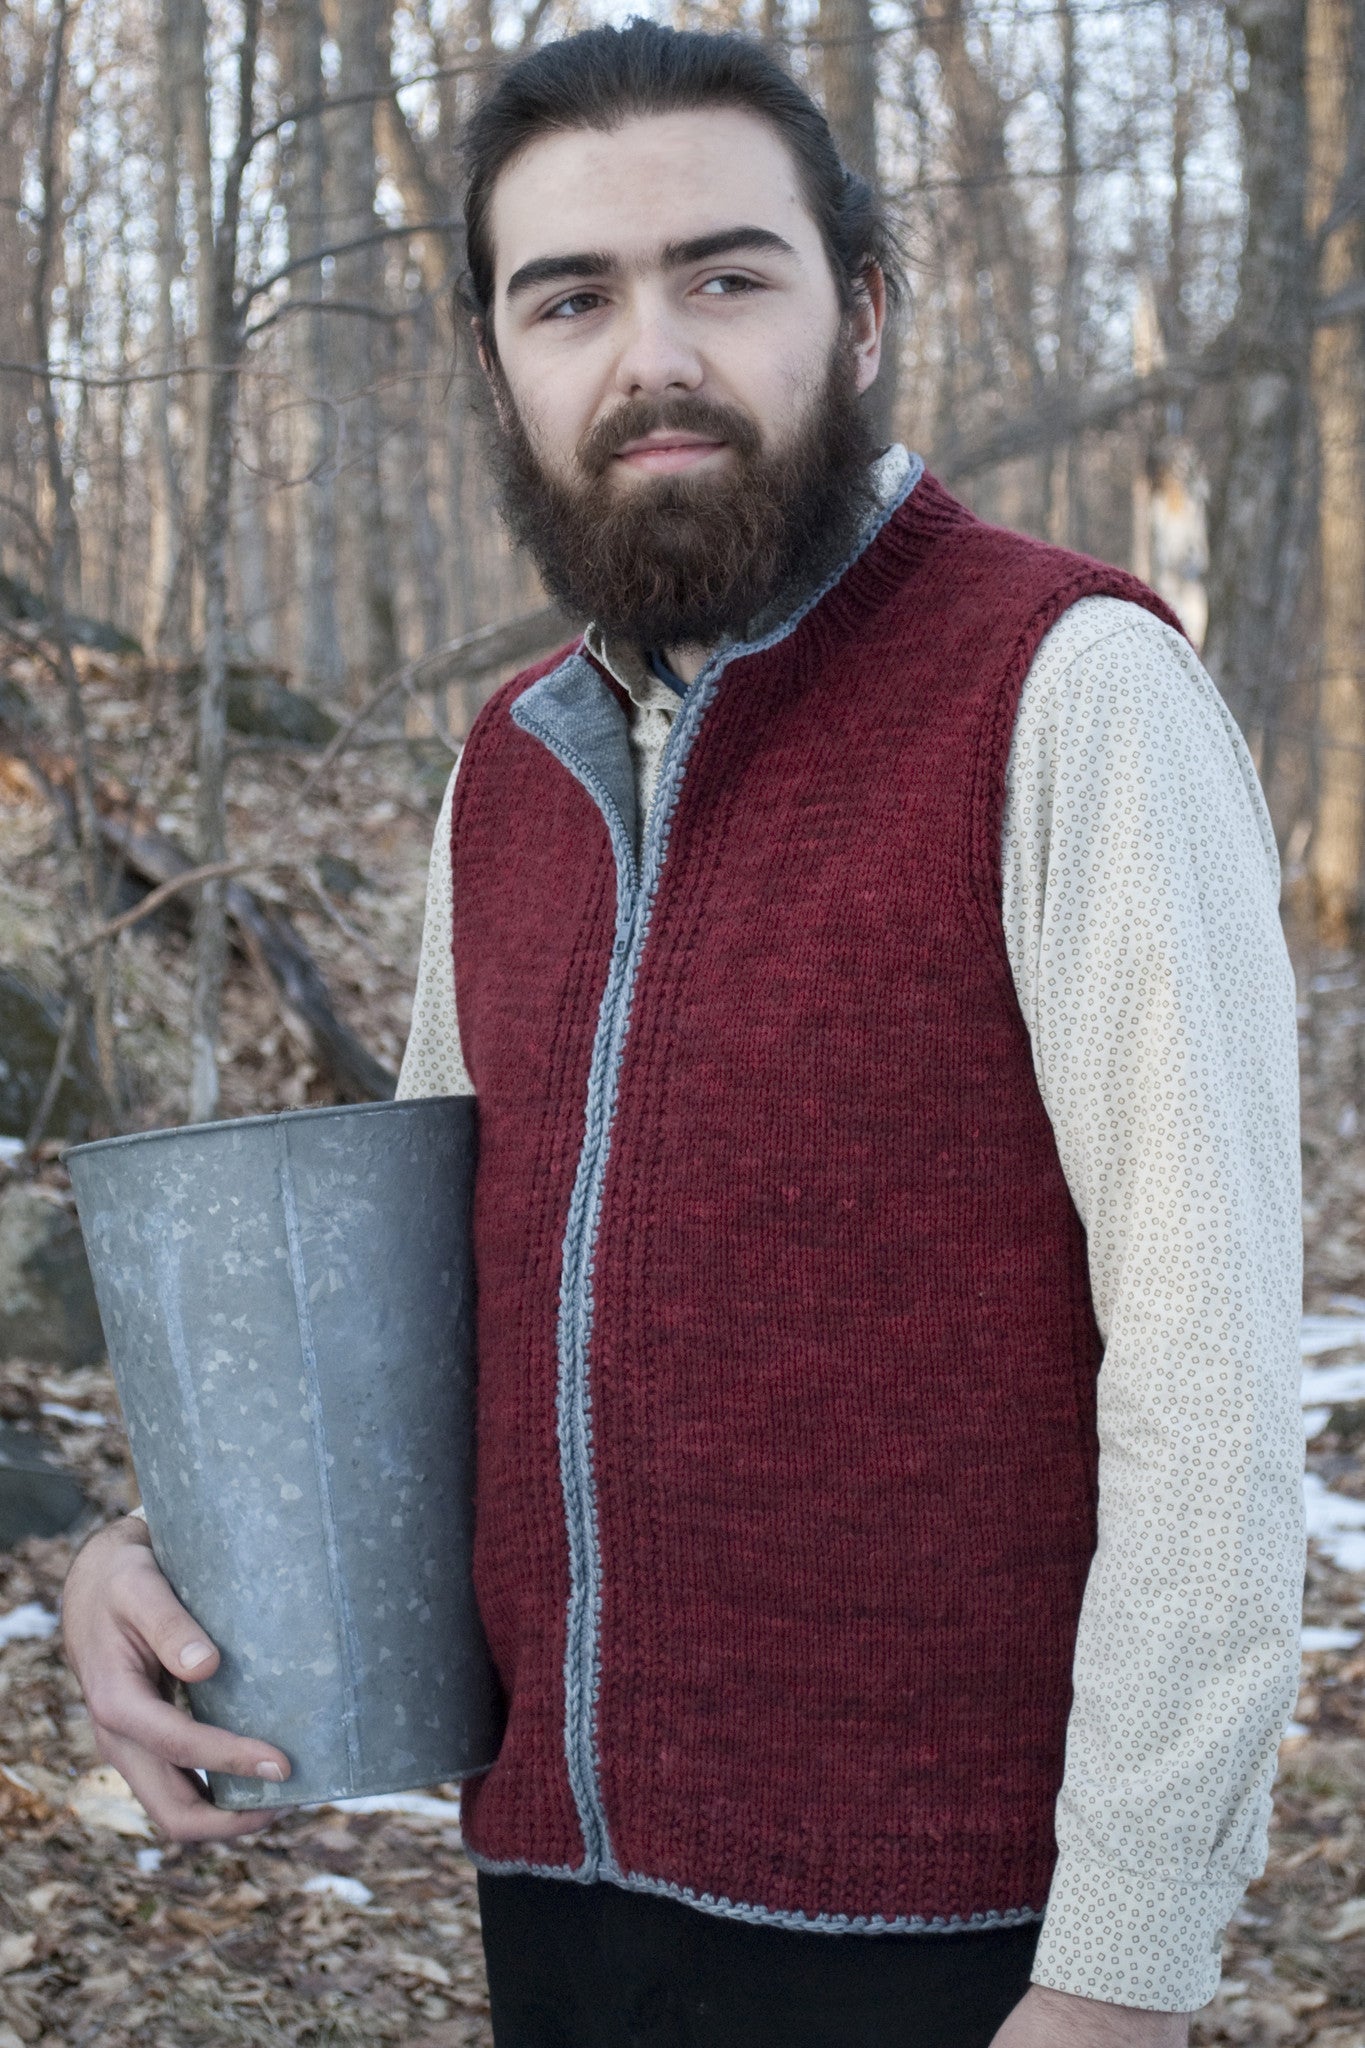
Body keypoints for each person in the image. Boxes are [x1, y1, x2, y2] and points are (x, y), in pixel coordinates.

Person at [62, 21, 1305, 2047]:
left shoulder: (1067, 693)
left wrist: (1118, 1973)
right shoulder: (512, 765)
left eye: (724, 276)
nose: (652, 357)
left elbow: (1212, 1403)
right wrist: (165, 1558)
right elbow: (420, 1331)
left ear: (863, 307)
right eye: (572, 297)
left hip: (953, 1941)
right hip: (556, 1894)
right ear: (497, 362)